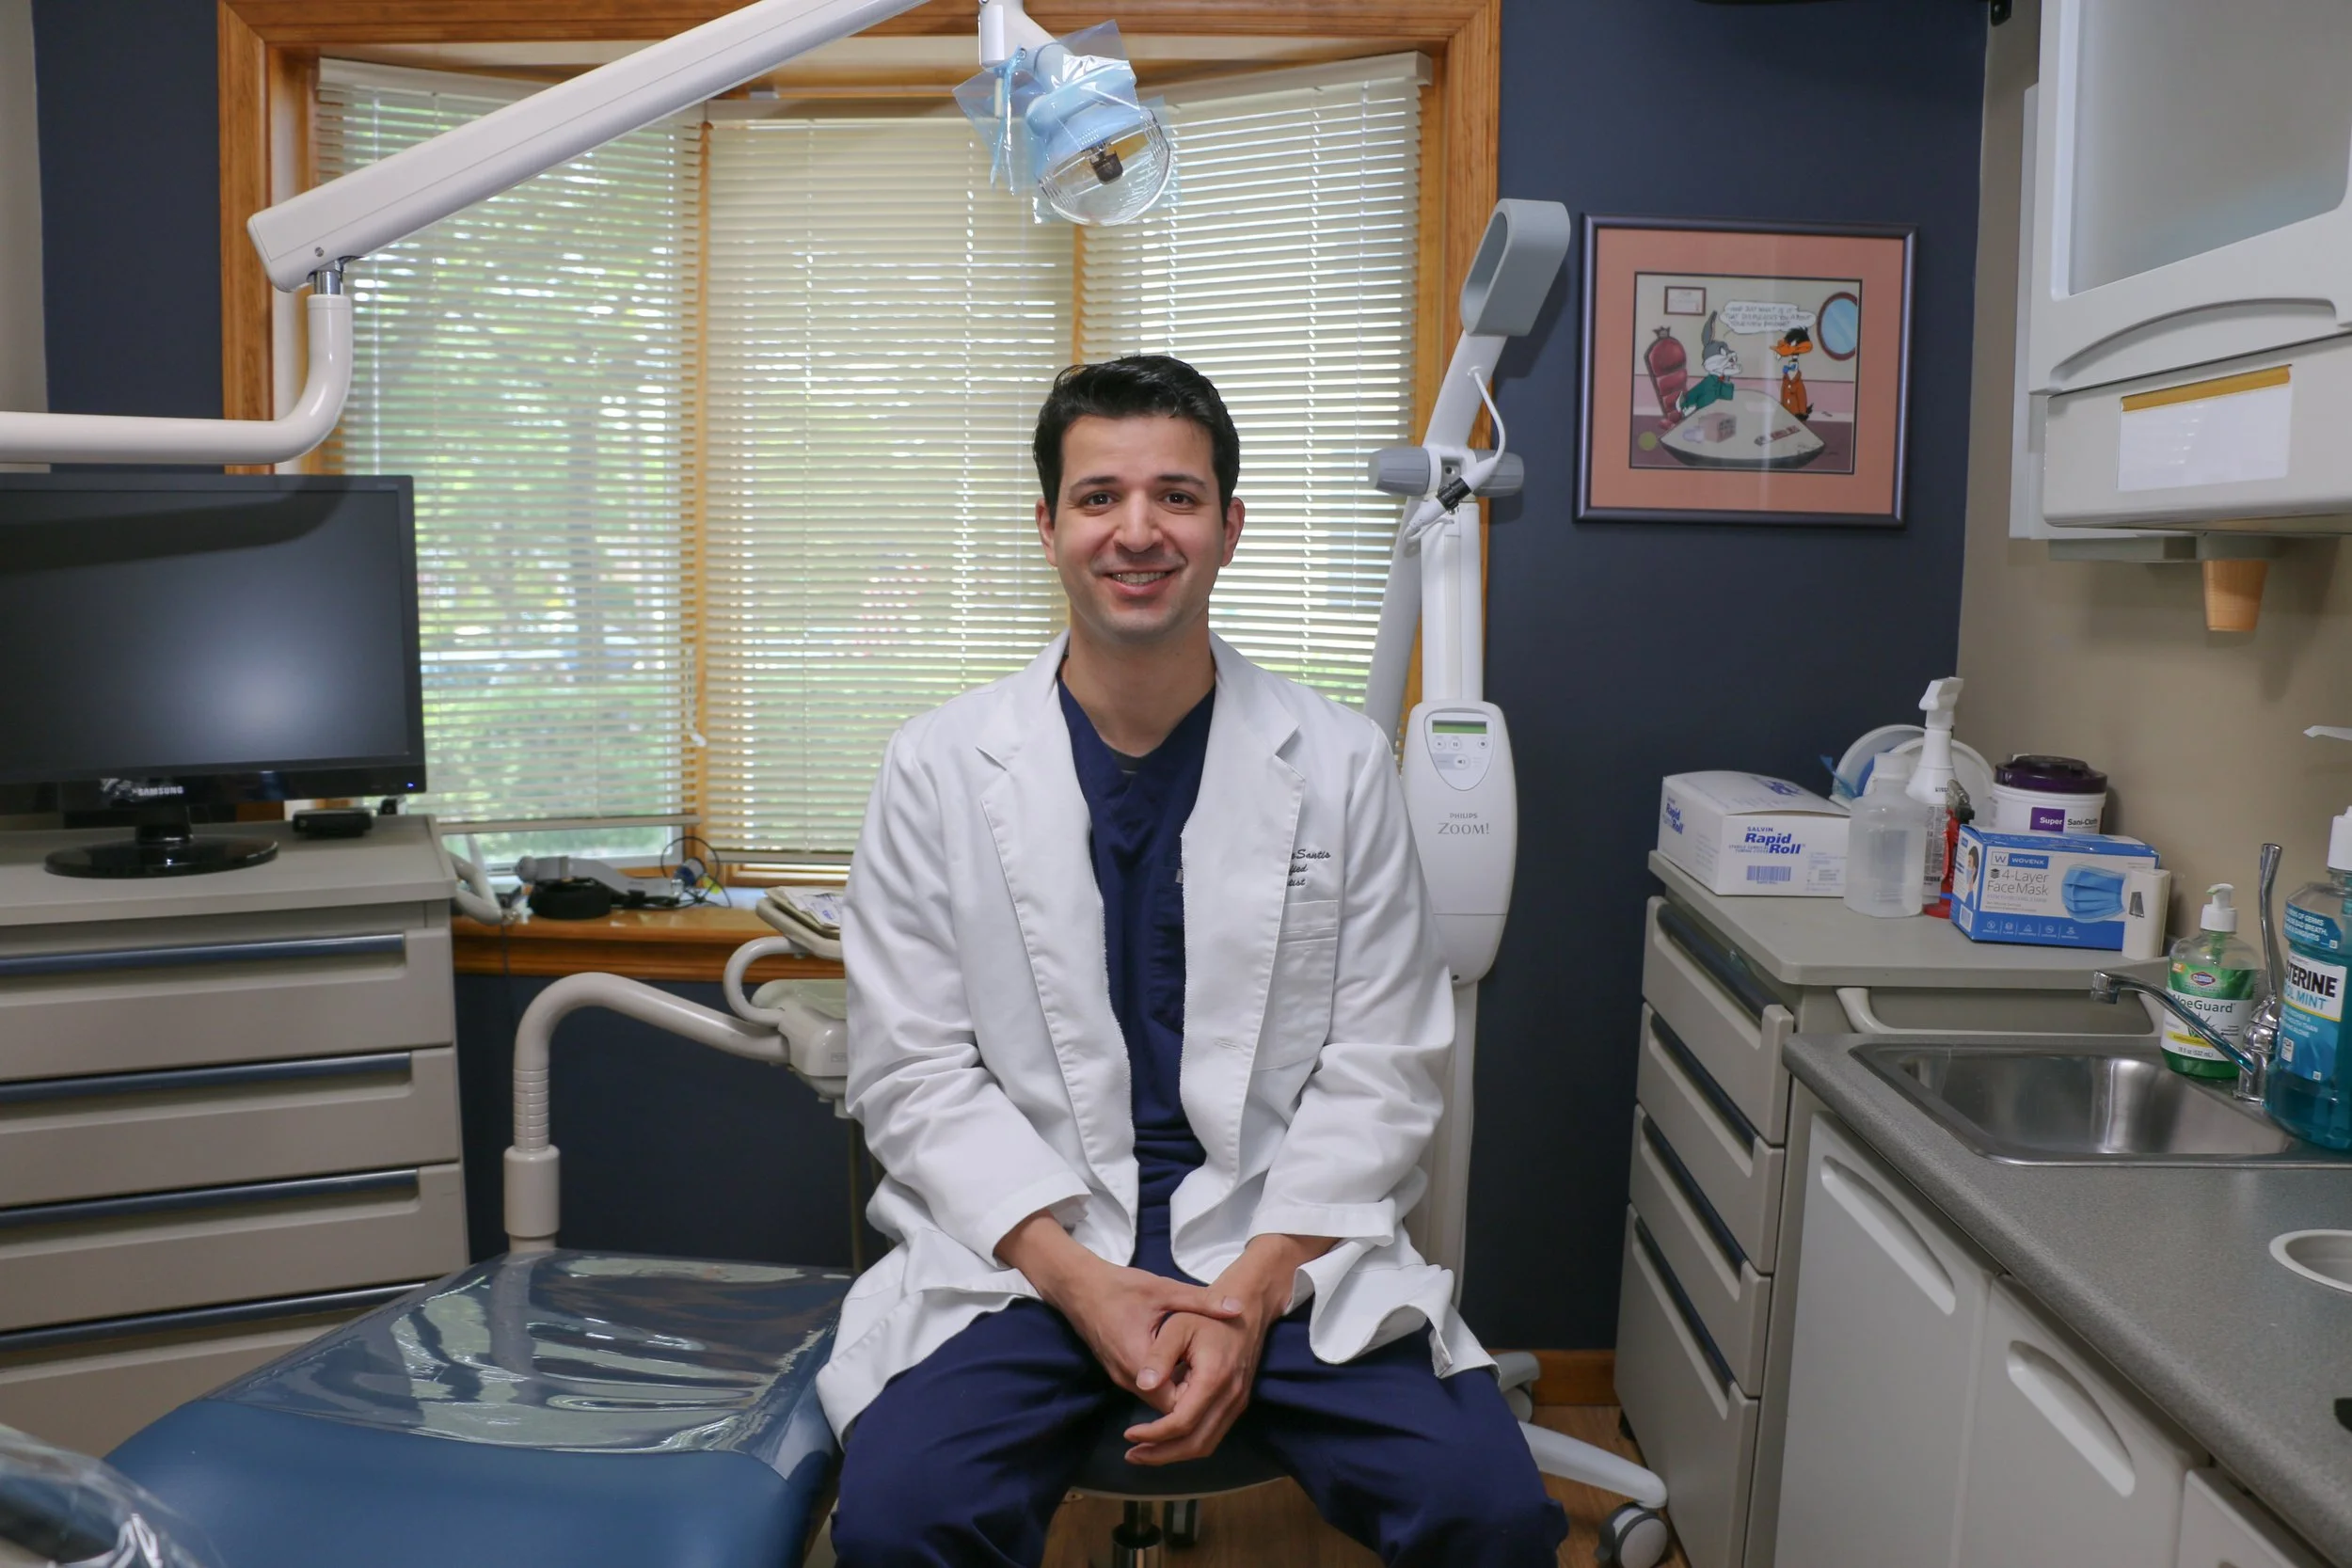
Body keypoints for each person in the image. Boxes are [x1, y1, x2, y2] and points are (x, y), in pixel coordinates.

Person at [821, 355, 1566, 1566]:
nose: (1137, 531)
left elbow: (1383, 1059)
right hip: (1030, 1244)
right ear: (1049, 525)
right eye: (1099, 496)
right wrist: (1081, 1281)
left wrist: (1258, 1284)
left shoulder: (1335, 763)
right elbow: (912, 1073)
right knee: (906, 1519)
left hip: (1287, 1238)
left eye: (1176, 495)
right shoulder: (939, 767)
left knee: (1485, 1509)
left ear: (1229, 524)